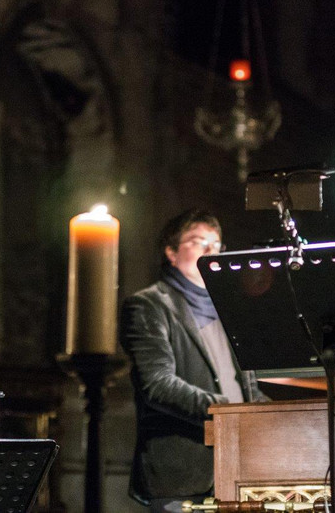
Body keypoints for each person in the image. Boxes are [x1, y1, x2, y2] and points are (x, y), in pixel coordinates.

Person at [120, 209, 268, 513]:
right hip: (182, 475)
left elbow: (247, 388)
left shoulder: (231, 309)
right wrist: (228, 411)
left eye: (216, 244)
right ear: (171, 253)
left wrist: (277, 415)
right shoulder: (148, 305)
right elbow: (157, 384)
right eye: (199, 242)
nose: (210, 251)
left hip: (238, 468)